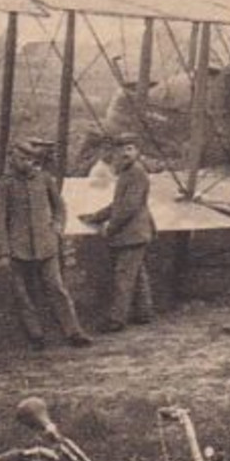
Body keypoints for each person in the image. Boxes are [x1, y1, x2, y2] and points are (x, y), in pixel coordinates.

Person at [0, 139, 93, 349]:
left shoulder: (45, 179)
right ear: (13, 159)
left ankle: (74, 331)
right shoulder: (5, 185)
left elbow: (60, 207)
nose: (25, 163)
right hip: (17, 249)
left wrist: (57, 227)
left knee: (57, 288)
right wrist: (2, 253)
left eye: (29, 159)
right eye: (21, 158)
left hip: (46, 246)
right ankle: (35, 335)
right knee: (23, 295)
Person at [80, 134, 157, 332]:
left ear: (137, 152)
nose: (125, 153)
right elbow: (118, 204)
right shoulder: (127, 172)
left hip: (132, 233)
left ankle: (116, 320)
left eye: (130, 149)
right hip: (136, 233)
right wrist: (94, 217)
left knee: (123, 278)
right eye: (121, 149)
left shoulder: (136, 173)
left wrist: (110, 226)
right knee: (137, 274)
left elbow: (128, 207)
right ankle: (144, 313)